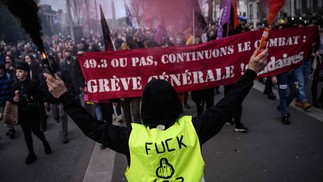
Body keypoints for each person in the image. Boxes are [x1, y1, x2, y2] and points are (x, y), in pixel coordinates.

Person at [44, 48, 268, 181]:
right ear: (175, 106)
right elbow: (227, 106)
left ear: (145, 110)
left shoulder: (133, 140)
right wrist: (250, 72)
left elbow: (92, 127)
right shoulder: (193, 132)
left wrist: (65, 97)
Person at [10, 62, 52, 164]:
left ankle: (45, 142)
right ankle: (31, 153)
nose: (18, 74)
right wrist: (13, 99)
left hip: (33, 112)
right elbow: (10, 98)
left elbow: (41, 95)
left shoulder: (33, 83)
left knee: (36, 131)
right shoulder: (14, 86)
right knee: (27, 134)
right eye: (16, 72)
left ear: (26, 73)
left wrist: (33, 98)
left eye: (20, 71)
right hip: (22, 114)